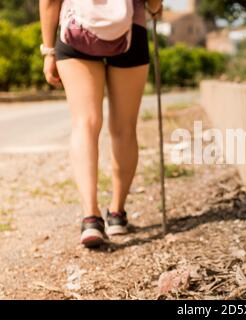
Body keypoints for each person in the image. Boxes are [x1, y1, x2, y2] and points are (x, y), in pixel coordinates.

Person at [39, 0, 163, 248]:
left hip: (75, 29)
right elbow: (153, 2)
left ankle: (91, 218)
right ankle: (117, 214)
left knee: (85, 123)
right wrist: (155, 8)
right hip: (130, 28)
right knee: (124, 128)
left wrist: (49, 51)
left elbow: (50, 1)